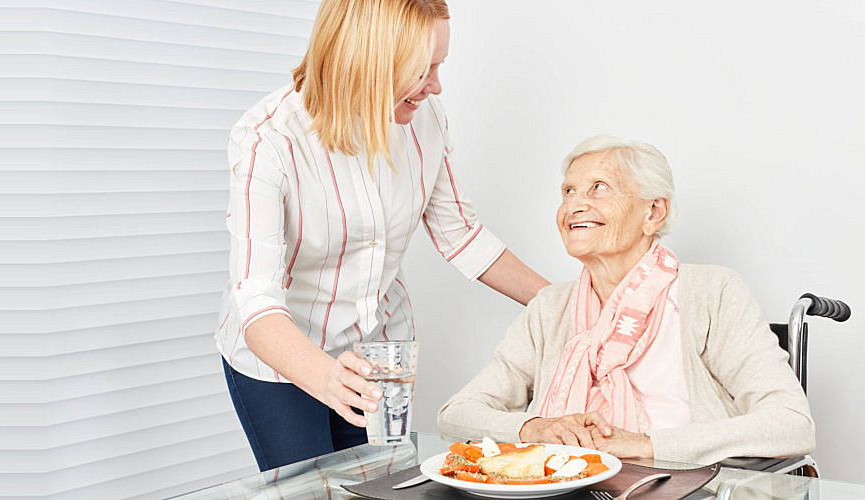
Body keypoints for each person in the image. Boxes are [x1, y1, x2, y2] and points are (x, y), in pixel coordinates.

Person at [218, 0, 552, 471]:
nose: (436, 86)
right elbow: (257, 302)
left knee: (378, 486)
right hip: (280, 362)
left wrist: (565, 305)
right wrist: (326, 376)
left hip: (377, 352)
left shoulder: (426, 119)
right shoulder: (268, 139)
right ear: (369, 61)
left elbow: (461, 235)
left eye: (439, 66)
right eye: (423, 70)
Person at [436, 136, 814, 465]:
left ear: (653, 212)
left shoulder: (712, 293)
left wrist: (648, 446)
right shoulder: (550, 308)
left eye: (598, 188)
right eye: (568, 192)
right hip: (566, 488)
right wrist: (536, 427)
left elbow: (791, 424)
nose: (575, 205)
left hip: (682, 487)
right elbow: (456, 414)